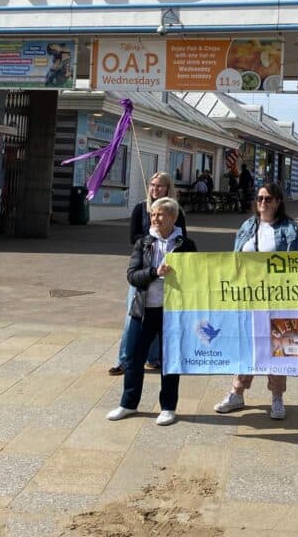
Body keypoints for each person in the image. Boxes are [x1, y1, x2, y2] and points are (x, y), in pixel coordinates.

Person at [213, 183, 298, 420]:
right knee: (248, 345)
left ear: (278, 202)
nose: (262, 202)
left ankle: (277, 396)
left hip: (277, 298)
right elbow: (235, 260)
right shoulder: (248, 226)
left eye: (268, 198)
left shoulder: (289, 228)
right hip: (248, 297)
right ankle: (237, 393)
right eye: (260, 198)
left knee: (277, 346)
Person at [107, 197, 197, 426]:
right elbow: (132, 276)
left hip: (172, 313)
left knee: (169, 361)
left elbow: (196, 277)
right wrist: (155, 272)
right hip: (144, 310)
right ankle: (128, 404)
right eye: (153, 214)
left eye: (161, 214)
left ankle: (168, 407)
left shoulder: (186, 244)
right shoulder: (144, 243)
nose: (155, 219)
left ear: (173, 218)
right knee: (134, 358)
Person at [108, 172, 188, 376]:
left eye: (159, 186)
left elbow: (183, 239)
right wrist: (152, 234)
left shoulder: (176, 211)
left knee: (158, 316)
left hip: (167, 272)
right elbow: (133, 237)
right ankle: (123, 360)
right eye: (152, 185)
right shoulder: (141, 209)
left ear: (168, 188)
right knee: (133, 317)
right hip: (144, 270)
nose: (155, 189)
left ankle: (153, 358)